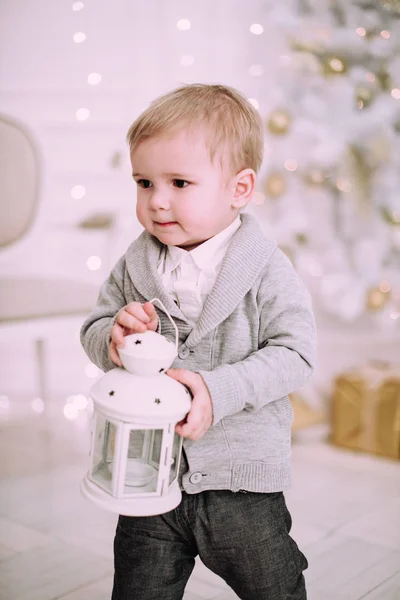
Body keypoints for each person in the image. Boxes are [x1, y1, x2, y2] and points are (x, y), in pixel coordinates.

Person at [80, 83, 316, 600]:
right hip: (149, 478)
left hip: (240, 486)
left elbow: (295, 354)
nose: (157, 201)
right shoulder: (136, 263)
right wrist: (114, 340)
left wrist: (219, 390)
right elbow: (95, 328)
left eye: (179, 183)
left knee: (273, 586)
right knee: (140, 589)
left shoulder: (265, 269)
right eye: (144, 182)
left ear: (239, 188)